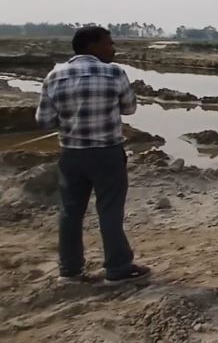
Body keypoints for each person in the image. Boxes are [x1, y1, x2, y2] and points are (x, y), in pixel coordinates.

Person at [35, 26, 150, 285]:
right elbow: (130, 108)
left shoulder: (54, 75)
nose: (113, 49)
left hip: (72, 155)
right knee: (110, 210)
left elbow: (44, 121)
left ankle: (70, 271)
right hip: (107, 153)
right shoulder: (114, 72)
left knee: (70, 212)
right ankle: (118, 269)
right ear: (92, 46)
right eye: (109, 43)